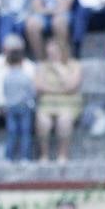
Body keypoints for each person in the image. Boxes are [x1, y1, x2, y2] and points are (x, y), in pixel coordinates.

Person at [0, 31, 36, 163]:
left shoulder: (29, 67)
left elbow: (34, 91)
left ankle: (27, 156)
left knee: (28, 124)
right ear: (4, 49)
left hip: (23, 108)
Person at [34, 33, 81, 162]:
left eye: (54, 52)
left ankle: (63, 155)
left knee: (64, 121)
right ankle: (44, 156)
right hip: (47, 104)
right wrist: (60, 90)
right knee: (43, 122)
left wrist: (58, 69)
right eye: (49, 53)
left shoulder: (73, 65)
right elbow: (39, 87)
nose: (51, 55)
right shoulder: (42, 66)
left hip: (68, 104)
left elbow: (71, 86)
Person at [0, 32, 35, 161]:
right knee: (25, 132)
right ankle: (25, 157)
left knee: (12, 132)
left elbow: (5, 92)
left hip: (11, 107)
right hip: (24, 106)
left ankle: (8, 157)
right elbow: (31, 92)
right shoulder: (25, 77)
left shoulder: (7, 77)